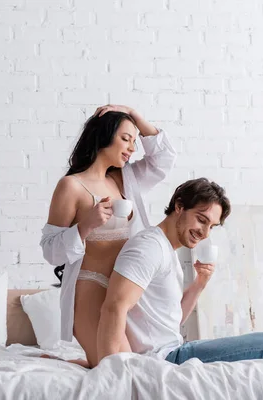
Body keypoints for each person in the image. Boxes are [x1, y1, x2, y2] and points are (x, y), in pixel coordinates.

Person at [40, 104, 177, 367]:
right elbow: (50, 250)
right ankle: (86, 361)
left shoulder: (124, 180)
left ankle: (81, 363)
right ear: (103, 136)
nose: (132, 148)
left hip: (124, 290)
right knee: (121, 369)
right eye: (125, 139)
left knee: (139, 369)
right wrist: (86, 225)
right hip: (90, 287)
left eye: (134, 141)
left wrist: (133, 114)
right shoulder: (71, 186)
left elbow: (164, 159)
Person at [96, 178, 263, 366]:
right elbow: (113, 308)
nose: (205, 233)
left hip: (174, 348)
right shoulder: (149, 247)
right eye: (201, 220)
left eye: (211, 226)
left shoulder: (167, 250)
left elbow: (173, 319)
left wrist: (200, 283)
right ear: (179, 206)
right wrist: (121, 374)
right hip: (163, 358)